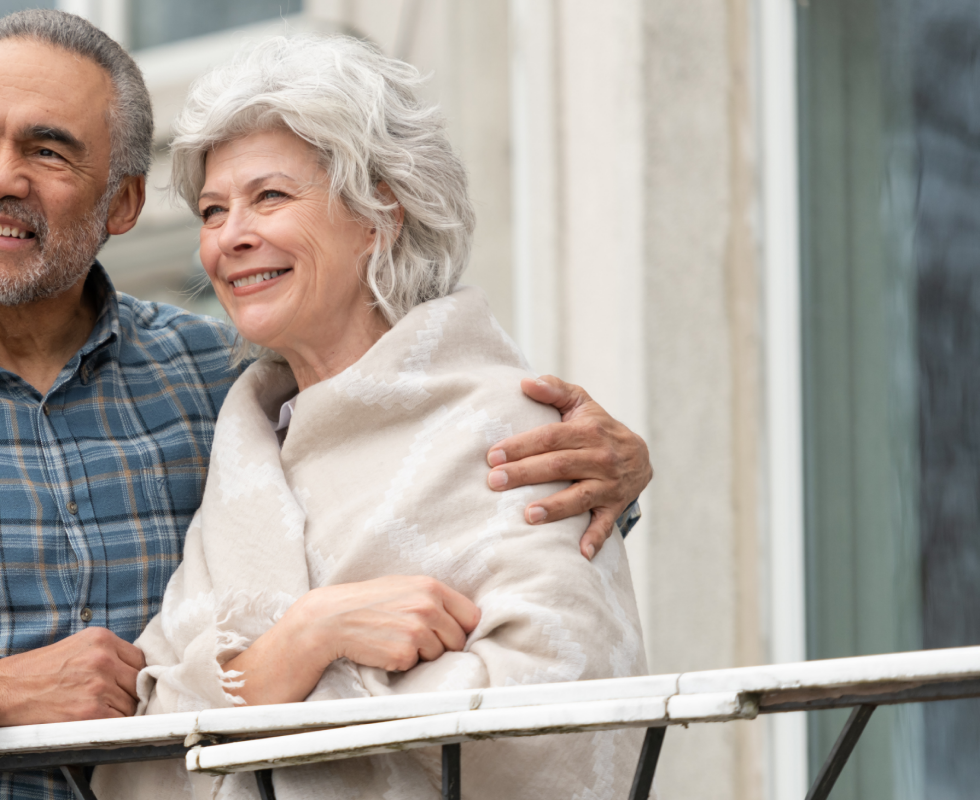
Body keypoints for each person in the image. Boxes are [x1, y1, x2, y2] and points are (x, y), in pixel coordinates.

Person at [0, 11, 652, 799]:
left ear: (122, 206)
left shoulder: (210, 382)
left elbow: (416, 477)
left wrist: (617, 474)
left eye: (48, 151)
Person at [90, 35, 646, 800]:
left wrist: (259, 695)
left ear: (382, 209)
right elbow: (133, 765)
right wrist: (307, 638)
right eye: (214, 210)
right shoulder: (247, 457)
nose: (228, 237)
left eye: (270, 197)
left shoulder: (513, 428)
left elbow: (561, 727)